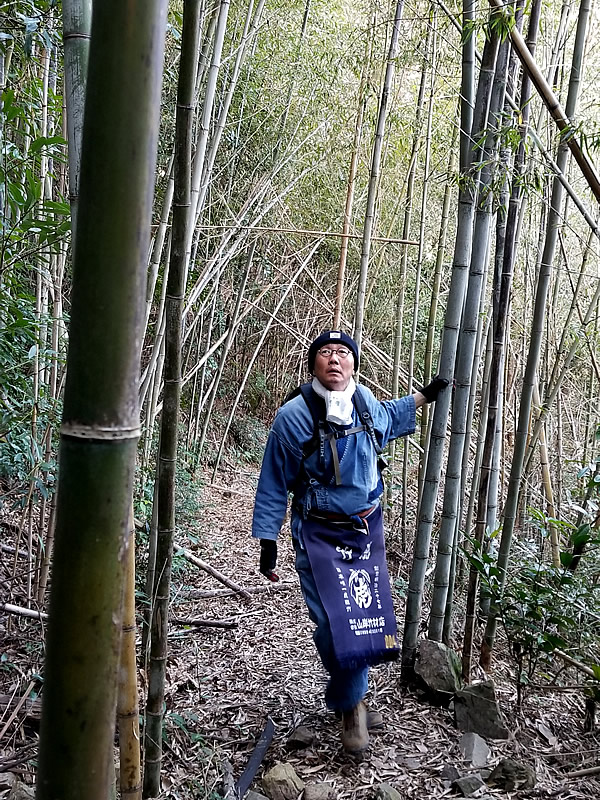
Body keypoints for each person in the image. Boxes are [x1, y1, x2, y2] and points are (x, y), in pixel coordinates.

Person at [251, 330, 448, 754]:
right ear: (313, 365)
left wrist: (424, 397)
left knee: (367, 618)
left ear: (355, 363)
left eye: (343, 352)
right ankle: (351, 703)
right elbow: (272, 482)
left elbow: (392, 416)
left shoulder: (364, 403)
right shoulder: (294, 417)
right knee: (330, 622)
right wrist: (268, 539)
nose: (335, 359)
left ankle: (350, 697)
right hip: (319, 532)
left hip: (365, 529)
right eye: (326, 353)